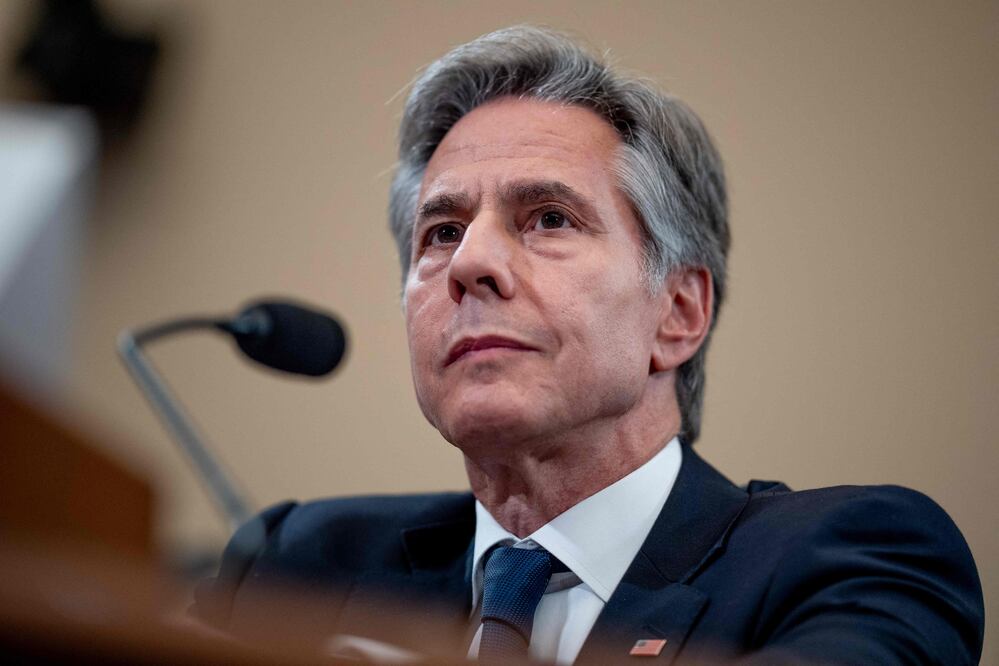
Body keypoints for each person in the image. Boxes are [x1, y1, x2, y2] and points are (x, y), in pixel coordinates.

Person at [194, 26, 984, 664]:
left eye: (547, 218)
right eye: (441, 232)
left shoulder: (846, 557)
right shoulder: (294, 563)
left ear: (677, 312)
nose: (469, 263)